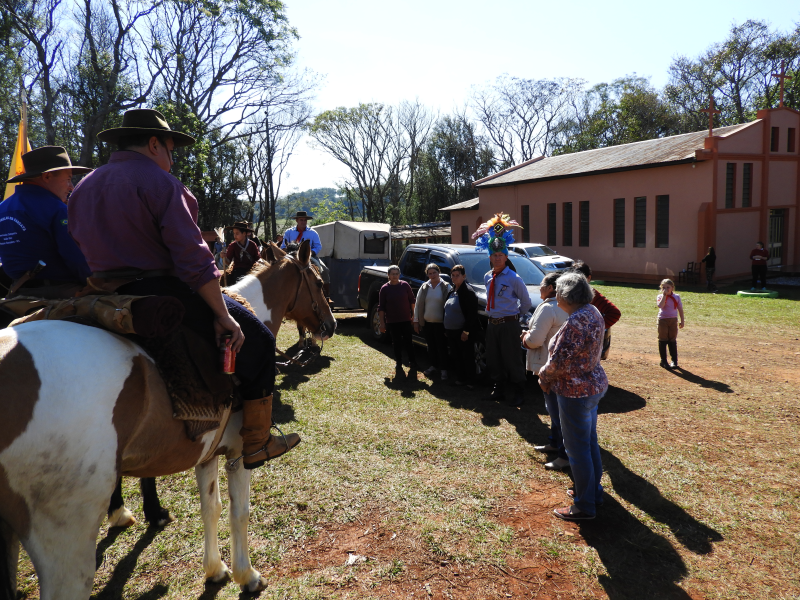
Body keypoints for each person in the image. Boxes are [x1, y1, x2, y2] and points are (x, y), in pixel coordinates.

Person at [68, 107, 299, 470]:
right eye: (171, 150)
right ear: (154, 144)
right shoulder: (163, 185)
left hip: (100, 292)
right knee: (259, 339)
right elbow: (192, 259)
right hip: (160, 289)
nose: (172, 159)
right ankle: (257, 441)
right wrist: (222, 315)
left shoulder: (82, 187)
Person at [538, 271, 608, 521]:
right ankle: (591, 493)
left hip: (575, 392)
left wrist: (543, 377)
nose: (555, 295)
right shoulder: (592, 311)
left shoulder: (577, 321)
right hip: (591, 387)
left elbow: (558, 362)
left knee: (577, 450)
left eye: (558, 291)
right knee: (588, 444)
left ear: (567, 295)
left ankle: (585, 505)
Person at [0, 146, 92, 299]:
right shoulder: (56, 209)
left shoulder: (3, 208)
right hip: (60, 291)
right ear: (47, 177)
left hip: (17, 292)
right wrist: (94, 283)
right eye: (68, 179)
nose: (71, 187)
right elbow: (76, 258)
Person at [474, 213, 531, 407]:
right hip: (492, 324)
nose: (497, 258)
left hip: (509, 324)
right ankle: (498, 389)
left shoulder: (514, 278)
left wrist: (515, 317)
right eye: (494, 255)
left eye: (500, 255)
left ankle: (519, 391)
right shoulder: (487, 277)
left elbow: (525, 302)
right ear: (490, 257)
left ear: (506, 257)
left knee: (512, 358)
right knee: (494, 358)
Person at [523, 272, 569, 470]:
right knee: (555, 410)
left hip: (549, 365)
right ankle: (555, 443)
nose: (539, 288)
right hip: (558, 365)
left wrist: (524, 338)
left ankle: (564, 454)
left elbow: (535, 340)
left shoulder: (549, 308)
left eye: (542, 284)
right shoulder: (564, 307)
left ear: (551, 288)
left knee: (557, 412)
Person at [571, 260, 621, 359]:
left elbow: (614, 313)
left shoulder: (592, 294)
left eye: (581, 278)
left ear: (589, 278)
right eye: (574, 278)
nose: (577, 282)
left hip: (585, 347)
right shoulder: (563, 292)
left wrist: (595, 329)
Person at [378, 265, 418, 382]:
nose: (394, 276)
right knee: (396, 342)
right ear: (388, 275)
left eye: (396, 274)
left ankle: (412, 362)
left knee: (408, 341)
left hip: (406, 319)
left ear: (399, 275)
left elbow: (412, 301)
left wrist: (414, 316)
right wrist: (382, 323)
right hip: (392, 321)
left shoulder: (405, 285)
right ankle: (399, 362)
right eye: (392, 274)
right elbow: (381, 307)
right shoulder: (384, 288)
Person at [443, 264, 480, 388]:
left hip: (463, 332)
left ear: (464, 276)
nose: (454, 278)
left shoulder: (468, 292)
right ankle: (460, 379)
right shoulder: (452, 290)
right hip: (451, 331)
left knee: (467, 356)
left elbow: (472, 314)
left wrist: (466, 331)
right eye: (452, 275)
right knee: (456, 356)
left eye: (457, 275)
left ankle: (471, 381)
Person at [413, 263, 451, 380]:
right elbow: (418, 304)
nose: (432, 275)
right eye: (430, 273)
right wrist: (416, 321)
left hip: (441, 324)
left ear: (439, 272)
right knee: (431, 346)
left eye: (434, 272)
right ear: (427, 275)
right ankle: (433, 366)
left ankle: (444, 369)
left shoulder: (446, 287)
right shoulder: (424, 287)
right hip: (427, 323)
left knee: (442, 347)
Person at [281, 211, 330, 295]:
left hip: (309, 256)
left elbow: (318, 246)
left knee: (325, 270)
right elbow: (283, 246)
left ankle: (325, 295)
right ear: (297, 220)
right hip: (291, 257)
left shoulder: (313, 232)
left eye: (305, 220)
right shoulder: (289, 232)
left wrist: (310, 253)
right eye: (301, 220)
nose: (303, 222)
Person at [656, 278, 684, 369]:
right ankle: (663, 361)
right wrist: (664, 296)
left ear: (672, 287)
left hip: (673, 320)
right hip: (663, 320)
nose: (666, 289)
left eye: (668, 287)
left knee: (672, 339)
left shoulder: (677, 297)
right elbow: (661, 305)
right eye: (663, 287)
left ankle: (674, 361)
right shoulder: (660, 296)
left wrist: (682, 320)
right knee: (663, 339)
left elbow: (680, 309)